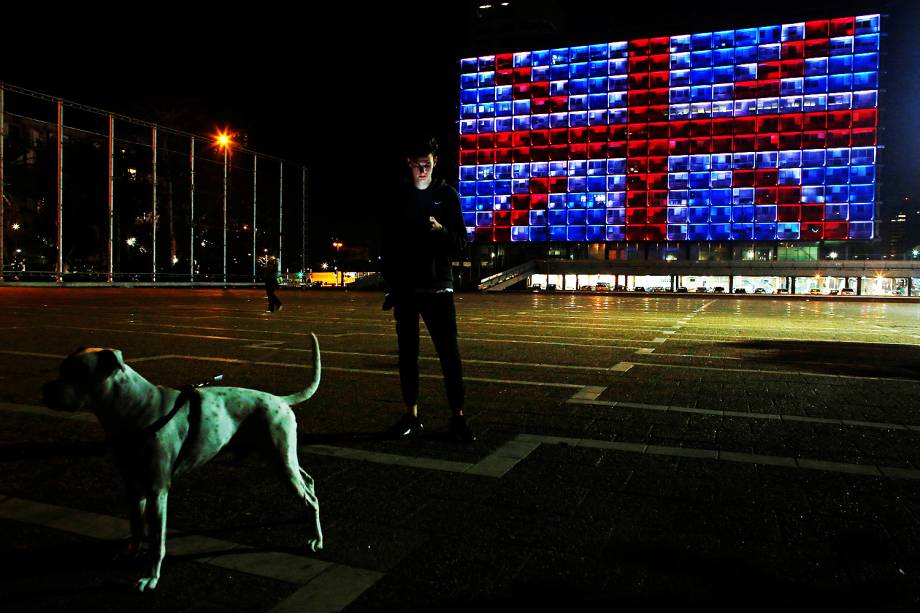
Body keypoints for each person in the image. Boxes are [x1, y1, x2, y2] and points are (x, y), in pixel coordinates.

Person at [380, 136, 474, 443]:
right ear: (408, 164)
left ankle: (458, 416)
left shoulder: (447, 195)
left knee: (449, 354)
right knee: (408, 355)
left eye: (427, 164)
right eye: (417, 164)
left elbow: (461, 244)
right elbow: (388, 245)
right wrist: (392, 286)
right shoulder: (397, 196)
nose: (422, 169)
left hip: (437, 287)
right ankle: (411, 415)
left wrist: (441, 231)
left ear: (435, 162)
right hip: (406, 288)